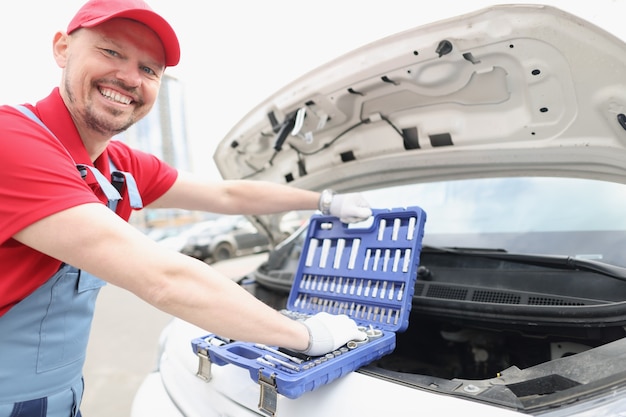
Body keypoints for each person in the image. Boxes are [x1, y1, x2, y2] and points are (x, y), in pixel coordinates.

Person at [0, 0, 372, 415]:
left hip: (61, 396)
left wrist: (323, 201)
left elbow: (228, 196)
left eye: (149, 70)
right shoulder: (12, 142)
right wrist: (302, 335)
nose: (129, 78)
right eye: (111, 51)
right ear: (62, 48)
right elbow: (163, 278)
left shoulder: (116, 166)